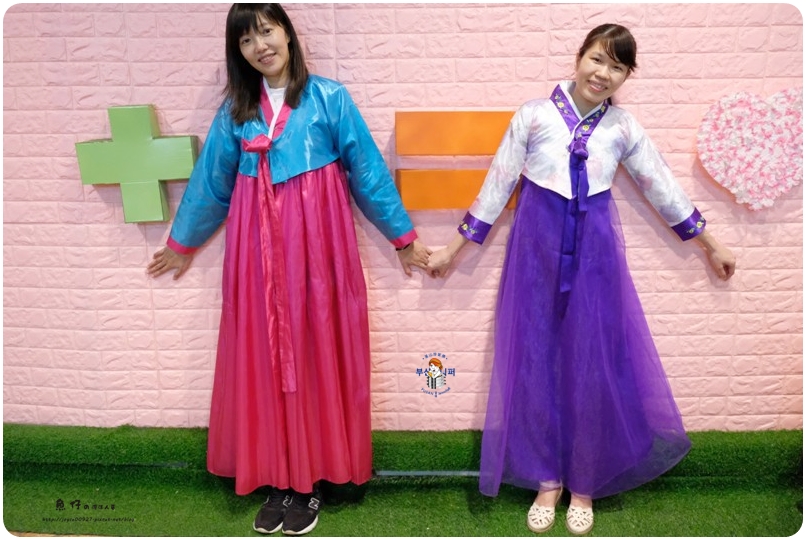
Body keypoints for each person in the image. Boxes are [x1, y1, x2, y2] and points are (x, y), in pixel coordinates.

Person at [427, 23, 735, 535]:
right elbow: (497, 183)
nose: (603, 73)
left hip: (595, 258)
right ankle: (547, 479)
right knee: (536, 360)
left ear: (626, 76)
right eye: (598, 59)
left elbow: (661, 185)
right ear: (579, 57)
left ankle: (585, 483)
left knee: (593, 363)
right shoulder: (533, 115)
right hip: (535, 254)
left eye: (618, 67)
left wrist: (711, 243)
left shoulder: (623, 128)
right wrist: (453, 250)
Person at [146, 3, 431, 536]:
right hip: (256, 254)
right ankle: (279, 478)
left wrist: (403, 239)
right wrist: (183, 243)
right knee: (264, 355)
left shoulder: (328, 98)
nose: (260, 46)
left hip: (318, 252)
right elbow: (212, 182)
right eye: (246, 39)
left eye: (266, 31)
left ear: (288, 34)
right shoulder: (236, 111)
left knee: (315, 348)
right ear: (238, 52)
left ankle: (311, 480)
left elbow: (367, 171)